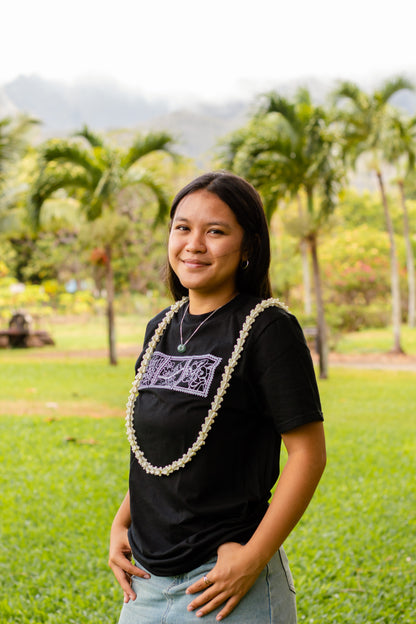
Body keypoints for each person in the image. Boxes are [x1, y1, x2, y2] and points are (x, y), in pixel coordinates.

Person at [109, 171, 326, 623]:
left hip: (224, 584)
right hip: (146, 584)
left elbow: (307, 455)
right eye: (183, 227)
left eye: (216, 231)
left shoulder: (267, 328)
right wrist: (122, 521)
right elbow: (161, 448)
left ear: (248, 246)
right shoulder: (161, 328)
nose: (194, 244)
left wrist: (252, 560)